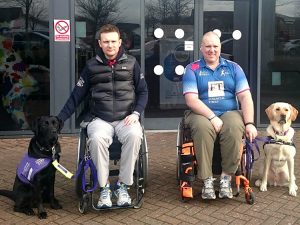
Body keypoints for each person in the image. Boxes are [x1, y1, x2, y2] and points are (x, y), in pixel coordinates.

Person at [57, 24, 148, 208]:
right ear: (100, 43)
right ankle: (104, 188)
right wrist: (59, 120)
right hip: (100, 118)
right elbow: (77, 95)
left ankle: (123, 186)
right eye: (106, 42)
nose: (110, 45)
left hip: (126, 117)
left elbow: (143, 91)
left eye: (113, 41)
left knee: (134, 134)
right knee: (97, 138)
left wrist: (136, 113)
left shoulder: (131, 63)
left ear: (120, 42)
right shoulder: (91, 66)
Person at [182, 31, 257, 200]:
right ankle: (207, 179)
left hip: (229, 111)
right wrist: (212, 117)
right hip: (200, 112)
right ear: (201, 48)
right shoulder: (192, 69)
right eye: (207, 46)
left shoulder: (234, 68)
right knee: (201, 127)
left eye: (215, 46)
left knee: (234, 126)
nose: (212, 50)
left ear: (220, 48)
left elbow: (245, 97)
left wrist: (250, 123)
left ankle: (225, 178)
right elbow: (191, 100)